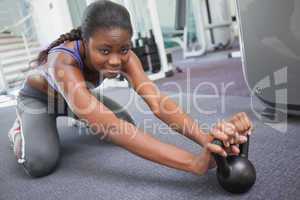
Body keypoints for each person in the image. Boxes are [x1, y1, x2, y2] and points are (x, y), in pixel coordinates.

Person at [8, 0, 253, 178]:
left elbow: (158, 103)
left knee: (126, 124)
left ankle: (82, 113)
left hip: (78, 96)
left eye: (123, 49)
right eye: (105, 51)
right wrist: (192, 163)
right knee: (40, 163)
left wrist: (206, 140)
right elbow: (112, 127)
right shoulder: (63, 62)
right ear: (85, 41)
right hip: (39, 100)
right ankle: (19, 129)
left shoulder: (126, 56)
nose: (116, 60)